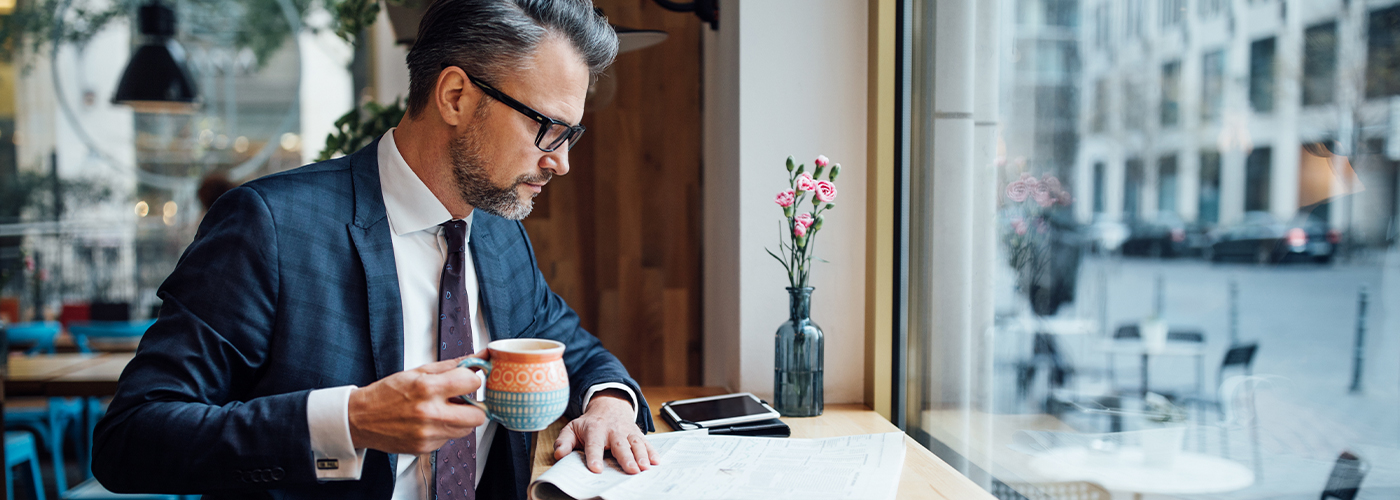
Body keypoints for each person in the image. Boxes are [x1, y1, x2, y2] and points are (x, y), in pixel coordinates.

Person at [91, 1, 656, 499]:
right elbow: (132, 440)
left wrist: (609, 403)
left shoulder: (498, 233)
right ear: (455, 96)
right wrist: (350, 422)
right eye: (547, 128)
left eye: (569, 134)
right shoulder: (270, 226)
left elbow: (573, 349)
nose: (559, 160)